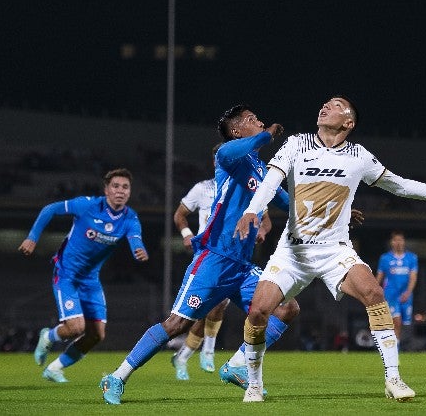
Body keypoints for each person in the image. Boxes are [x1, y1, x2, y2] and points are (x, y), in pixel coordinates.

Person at [234, 95, 426, 402]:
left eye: (336, 105)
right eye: (324, 103)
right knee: (258, 311)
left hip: (334, 250)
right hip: (292, 252)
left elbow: (398, 185)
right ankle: (254, 383)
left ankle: (394, 379)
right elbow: (271, 181)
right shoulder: (297, 144)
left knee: (374, 293)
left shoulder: (359, 156)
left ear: (348, 122)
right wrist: (252, 211)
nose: (325, 106)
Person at [99, 105, 300, 405]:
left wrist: (332, 212)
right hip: (214, 259)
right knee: (176, 325)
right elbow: (249, 145)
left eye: (258, 118)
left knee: (287, 307)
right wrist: (267, 133)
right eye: (250, 120)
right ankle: (117, 376)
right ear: (235, 131)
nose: (258, 121)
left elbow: (288, 201)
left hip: (243, 267)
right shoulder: (227, 158)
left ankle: (234, 365)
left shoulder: (261, 171)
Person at [19, 168, 148, 383]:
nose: (120, 191)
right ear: (106, 190)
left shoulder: (130, 218)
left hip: (91, 281)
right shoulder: (88, 205)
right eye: (115, 186)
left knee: (96, 335)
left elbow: (135, 237)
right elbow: (50, 209)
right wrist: (33, 237)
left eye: (125, 187)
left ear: (130, 192)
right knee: (76, 327)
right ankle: (48, 336)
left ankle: (54, 368)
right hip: (66, 274)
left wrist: (139, 249)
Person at [169, 145, 272, 381]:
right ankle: (198, 353)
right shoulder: (202, 189)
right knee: (203, 309)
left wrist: (262, 231)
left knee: (216, 305)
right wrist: (186, 233)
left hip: (235, 254)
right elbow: (179, 215)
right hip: (208, 252)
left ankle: (189, 355)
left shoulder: (249, 188)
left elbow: (266, 220)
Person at [375, 230, 418, 346]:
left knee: (404, 324)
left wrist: (408, 292)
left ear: (404, 242)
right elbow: (379, 277)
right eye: (395, 240)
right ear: (391, 242)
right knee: (396, 322)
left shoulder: (412, 258)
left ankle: (394, 345)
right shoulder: (385, 258)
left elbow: (413, 277)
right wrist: (374, 292)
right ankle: (394, 351)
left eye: (400, 240)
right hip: (391, 295)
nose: (398, 242)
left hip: (406, 295)